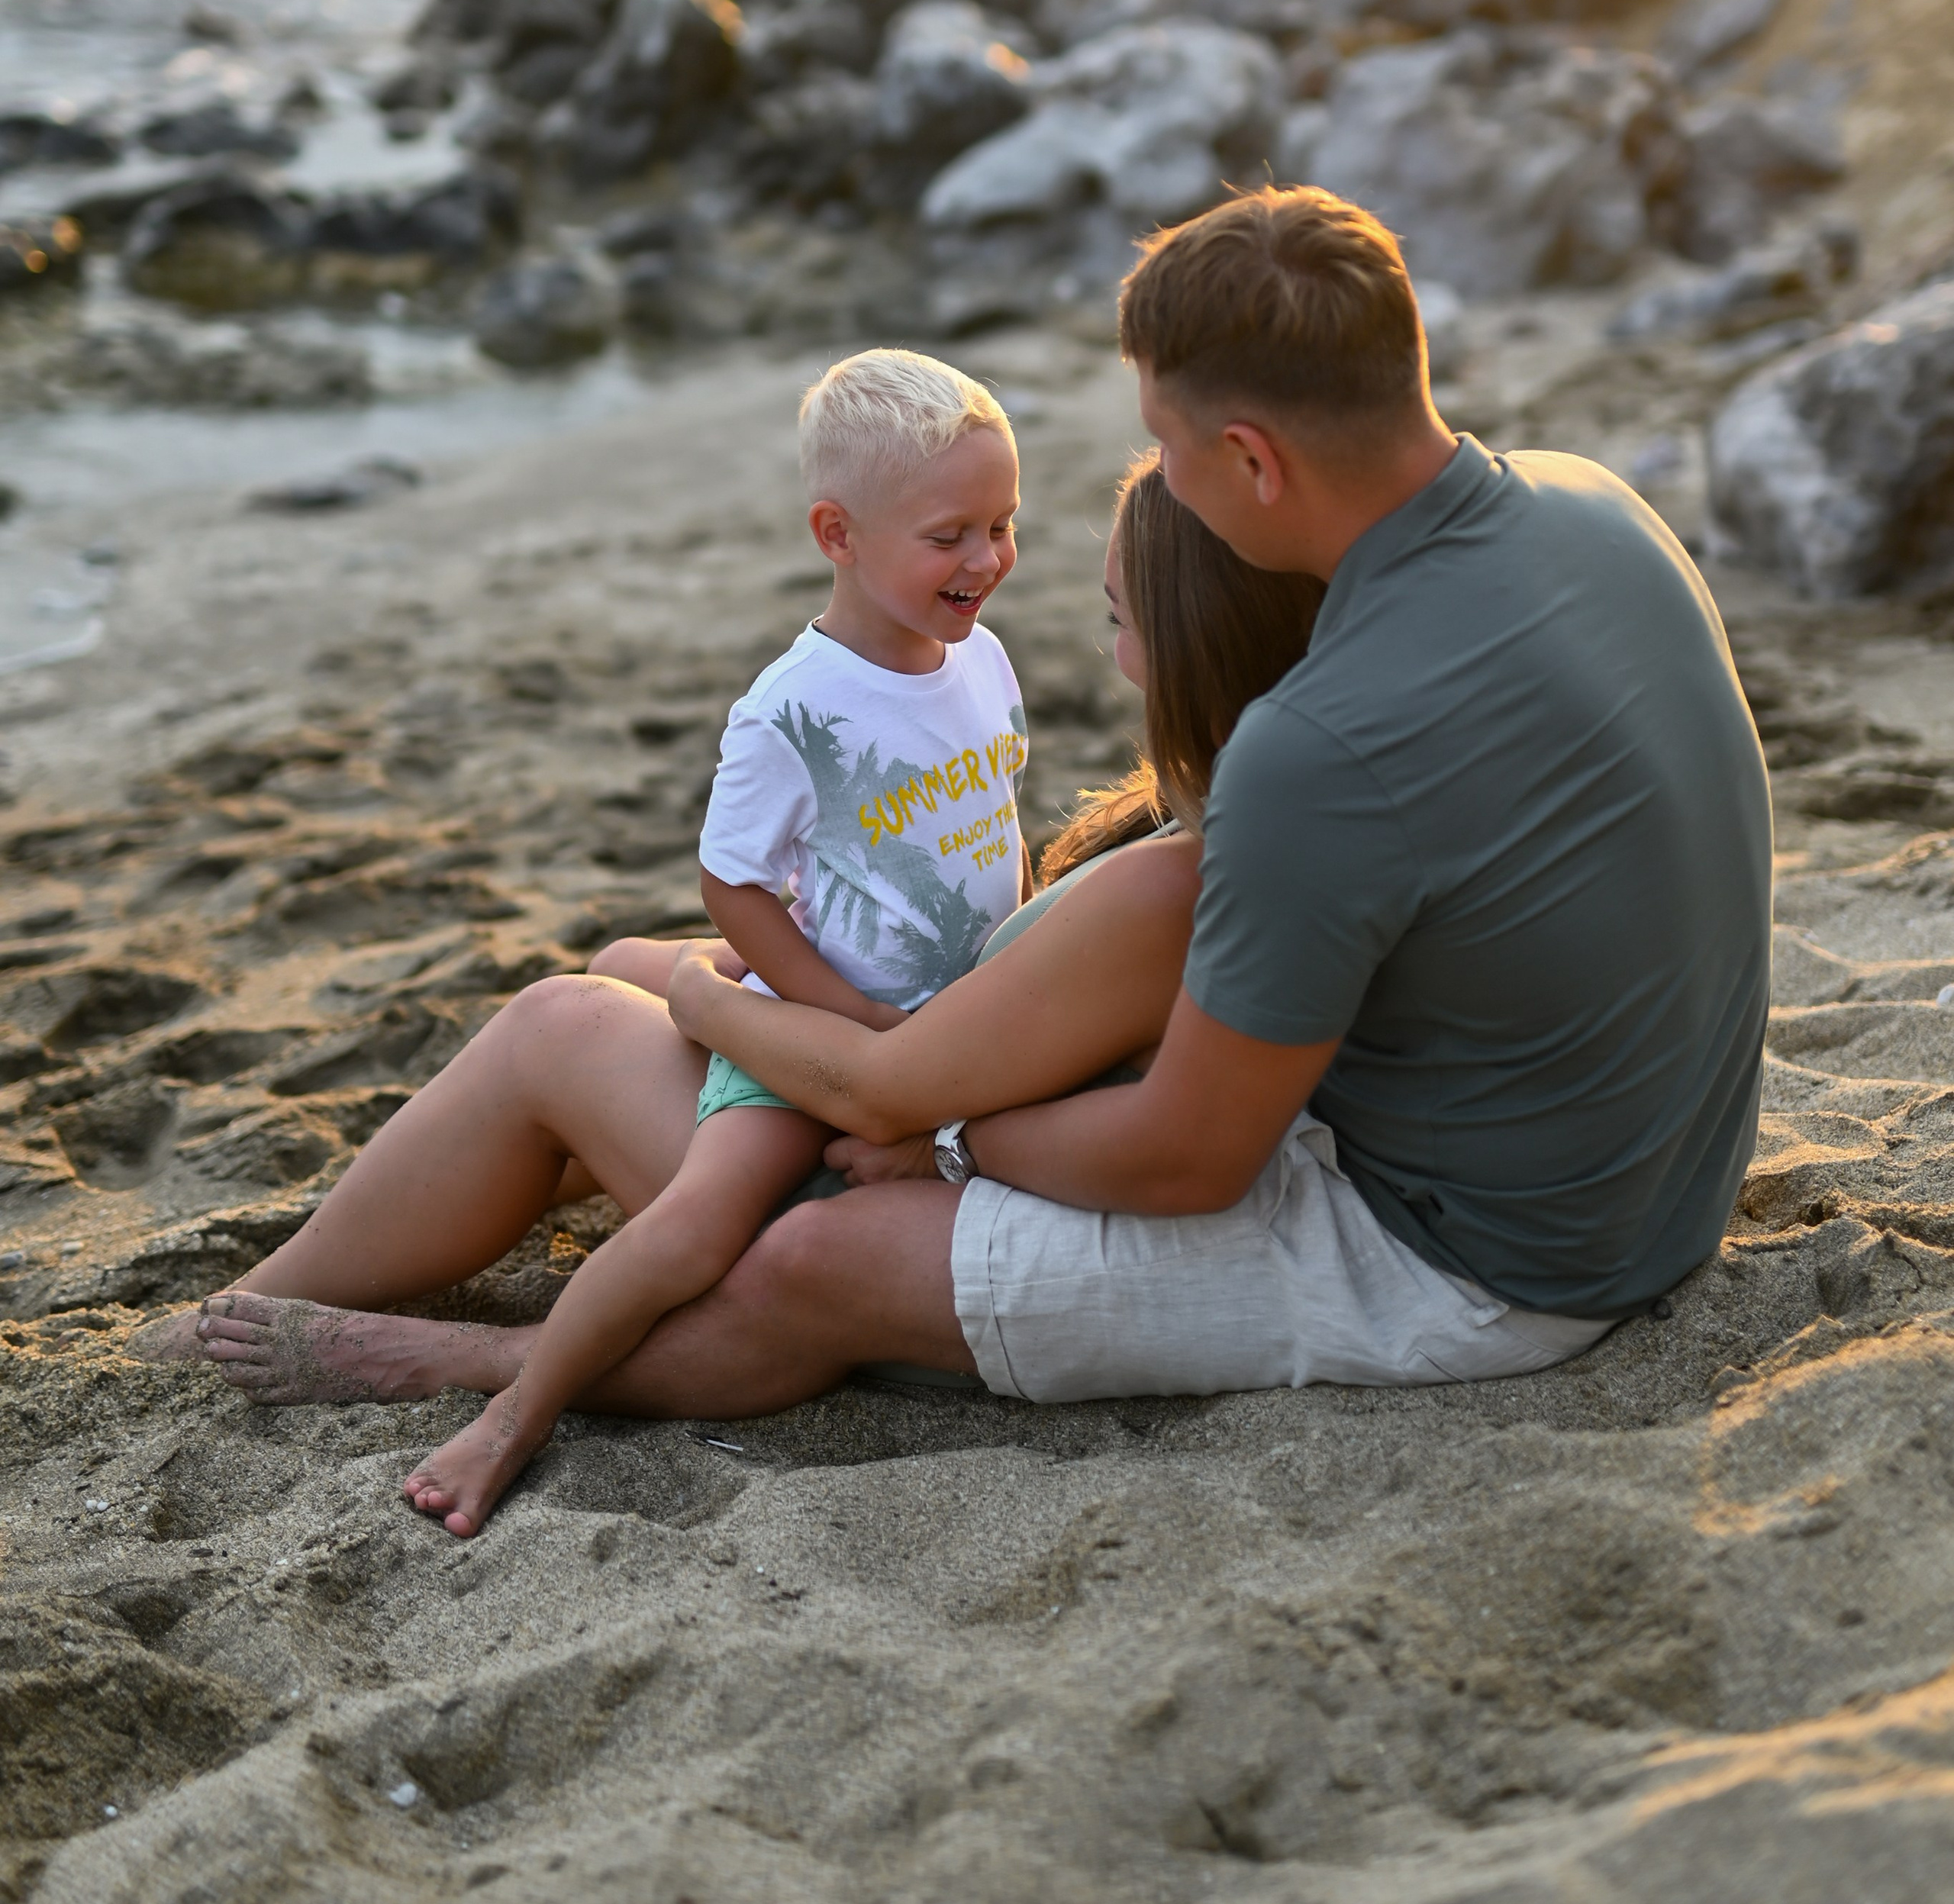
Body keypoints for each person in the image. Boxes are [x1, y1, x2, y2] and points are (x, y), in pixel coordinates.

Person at [190, 185, 1772, 1438]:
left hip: (1479, 1260)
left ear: (1248, 455)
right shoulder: (1589, 506)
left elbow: (1182, 1162)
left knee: (810, 1247)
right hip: (1644, 1170)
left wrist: (946, 1138)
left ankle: (452, 1359)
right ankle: (360, 1271)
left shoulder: (1317, 752)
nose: (1153, 481)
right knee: (673, 1034)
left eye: (1161, 443)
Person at [174, 446, 1319, 1438]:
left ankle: (244, 1314)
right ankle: (461, 1211)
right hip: (952, 1100)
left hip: (899, 1179)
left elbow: (905, 1091)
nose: (1108, 645)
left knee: (558, 1026)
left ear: (1192, 639)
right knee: (618, 961)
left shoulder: (1172, 885)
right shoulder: (1239, 806)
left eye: (1120, 618)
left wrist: (708, 994)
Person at [279, 345, 1028, 1538]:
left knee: (621, 975)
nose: (986, 559)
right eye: (951, 534)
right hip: (820, 1030)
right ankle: (518, 1408)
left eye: (1003, 523)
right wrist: (834, 1017)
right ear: (838, 531)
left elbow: (986, 838)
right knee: (693, 1222)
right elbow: (732, 885)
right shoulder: (794, 705)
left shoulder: (981, 659)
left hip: (935, 1019)